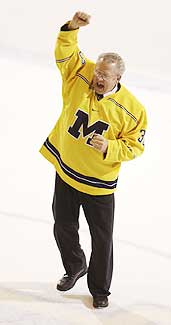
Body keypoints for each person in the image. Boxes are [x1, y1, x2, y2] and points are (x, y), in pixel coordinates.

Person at [39, 11, 147, 308]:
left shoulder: (132, 109)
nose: (97, 78)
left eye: (105, 75)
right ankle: (75, 266)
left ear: (118, 78)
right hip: (66, 170)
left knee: (102, 240)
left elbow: (135, 146)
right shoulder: (81, 75)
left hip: (98, 185)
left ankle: (99, 290)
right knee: (63, 225)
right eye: (97, 71)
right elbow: (66, 53)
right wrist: (72, 28)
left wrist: (109, 147)